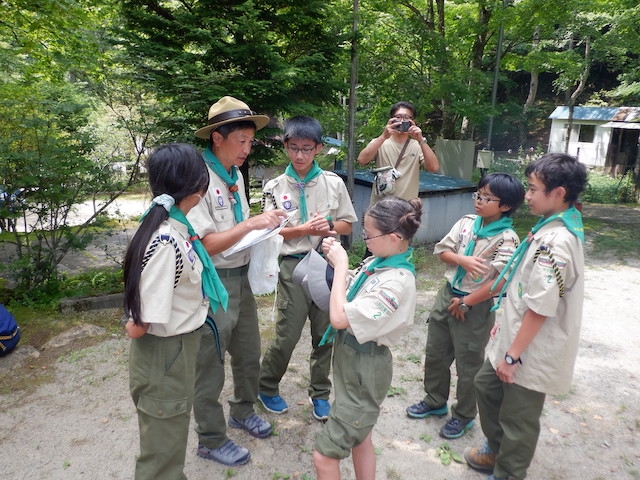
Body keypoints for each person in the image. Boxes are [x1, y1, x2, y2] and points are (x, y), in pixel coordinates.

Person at [464, 153, 588, 480]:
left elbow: (540, 307)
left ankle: (508, 471)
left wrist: (513, 354)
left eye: (533, 189)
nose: (527, 196)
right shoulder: (549, 227)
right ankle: (495, 448)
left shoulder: (558, 242)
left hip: (531, 349)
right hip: (515, 333)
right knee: (486, 386)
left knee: (519, 417)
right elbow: (522, 290)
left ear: (558, 193)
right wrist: (503, 329)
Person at [187, 96, 287, 467]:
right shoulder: (197, 178)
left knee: (248, 353)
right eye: (240, 141)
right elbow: (205, 242)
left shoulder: (234, 175)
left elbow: (237, 229)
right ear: (217, 137)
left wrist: (265, 224)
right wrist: (249, 225)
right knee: (209, 363)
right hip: (212, 284)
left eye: (250, 141)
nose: (247, 149)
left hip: (241, 278)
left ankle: (243, 411)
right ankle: (211, 439)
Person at [123, 142, 229, 480]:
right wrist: (133, 327)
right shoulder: (167, 241)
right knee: (162, 457)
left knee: (171, 436)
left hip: (179, 347)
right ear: (198, 189)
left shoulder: (176, 230)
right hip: (165, 354)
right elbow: (142, 321)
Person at [405, 173, 525, 439]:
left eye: (487, 198)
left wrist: (467, 303)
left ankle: (463, 415)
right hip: (447, 295)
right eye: (478, 195)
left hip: (475, 306)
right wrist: (463, 261)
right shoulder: (467, 223)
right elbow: (442, 251)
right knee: (436, 352)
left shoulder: (507, 239)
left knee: (468, 364)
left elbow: (498, 283)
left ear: (505, 205)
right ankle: (435, 401)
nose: (479, 201)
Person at [312, 196, 423, 480]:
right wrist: (337, 262)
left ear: (396, 237)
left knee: (324, 456)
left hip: (365, 367)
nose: (366, 240)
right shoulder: (380, 263)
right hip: (354, 361)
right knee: (362, 438)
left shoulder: (396, 282)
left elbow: (339, 319)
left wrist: (340, 266)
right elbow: (356, 287)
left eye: (369, 235)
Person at [257, 116, 358, 421]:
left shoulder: (333, 182)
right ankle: (267, 386)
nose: (299, 155)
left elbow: (346, 223)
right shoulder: (275, 186)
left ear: (318, 149)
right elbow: (270, 232)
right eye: (293, 148)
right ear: (285, 146)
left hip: (327, 264)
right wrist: (301, 229)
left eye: (306, 148)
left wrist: (326, 224)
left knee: (325, 332)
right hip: (292, 266)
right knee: (287, 334)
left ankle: (320, 394)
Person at [357, 101, 439, 203]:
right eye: (398, 117)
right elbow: (362, 160)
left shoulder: (418, 145)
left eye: (406, 117)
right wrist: (383, 136)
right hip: (381, 207)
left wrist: (421, 139)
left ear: (413, 121)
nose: (402, 121)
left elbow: (434, 168)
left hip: (407, 209)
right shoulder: (380, 142)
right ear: (391, 120)